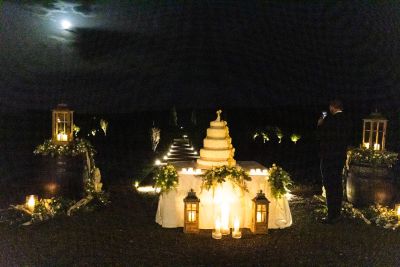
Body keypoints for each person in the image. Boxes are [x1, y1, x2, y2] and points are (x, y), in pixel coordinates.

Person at [317, 99, 351, 224]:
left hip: (329, 158)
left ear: (332, 107)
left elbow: (322, 138)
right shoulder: (347, 120)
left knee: (330, 185)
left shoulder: (330, 121)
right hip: (340, 158)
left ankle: (331, 215)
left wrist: (320, 124)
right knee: (337, 184)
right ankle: (337, 212)